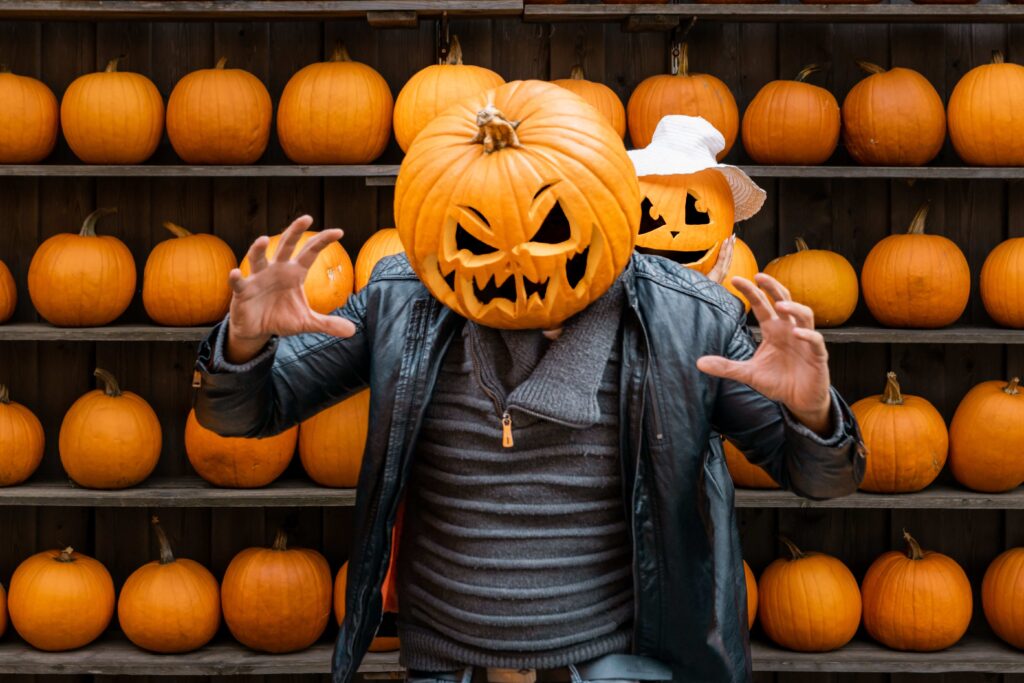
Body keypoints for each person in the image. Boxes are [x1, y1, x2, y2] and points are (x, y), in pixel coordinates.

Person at [193, 96, 865, 683]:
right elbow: (243, 412)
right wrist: (246, 342)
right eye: (481, 236)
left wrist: (810, 408)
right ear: (438, 224)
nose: (517, 260)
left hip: (617, 660)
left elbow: (824, 478)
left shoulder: (691, 317)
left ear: (608, 208)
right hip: (443, 660)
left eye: (547, 229)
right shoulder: (402, 298)